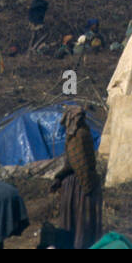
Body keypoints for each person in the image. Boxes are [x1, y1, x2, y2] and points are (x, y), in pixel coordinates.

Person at [50, 105, 102, 249]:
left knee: (77, 222)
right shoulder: (84, 132)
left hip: (77, 185)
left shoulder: (77, 136)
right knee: (82, 223)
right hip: (83, 182)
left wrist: (59, 177)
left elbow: (77, 165)